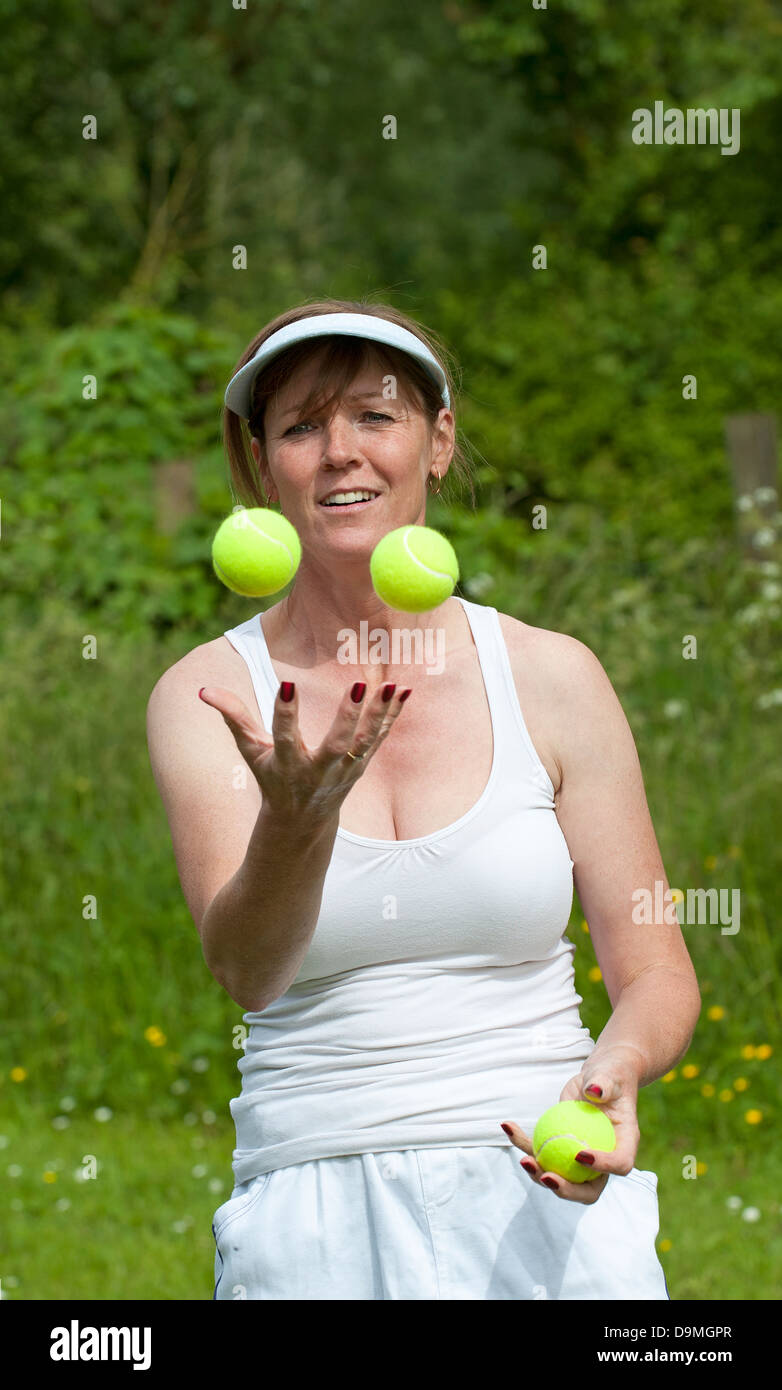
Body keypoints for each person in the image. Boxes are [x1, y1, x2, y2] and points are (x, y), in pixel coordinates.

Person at [146, 297, 701, 1301]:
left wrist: (611, 1070)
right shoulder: (207, 697)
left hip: (545, 1180)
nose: (339, 454)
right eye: (302, 427)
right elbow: (247, 971)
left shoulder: (550, 675)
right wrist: (295, 822)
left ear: (436, 442)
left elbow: (655, 966)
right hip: (312, 1207)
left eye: (374, 415)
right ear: (259, 464)